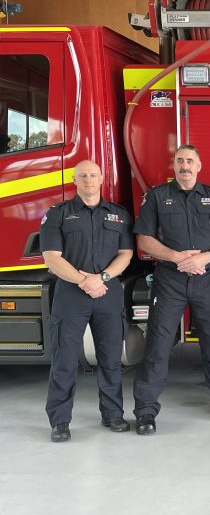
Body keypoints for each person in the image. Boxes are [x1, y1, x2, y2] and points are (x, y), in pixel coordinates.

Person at [132, 144, 210, 435]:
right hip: (169, 279)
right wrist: (178, 257)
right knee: (158, 344)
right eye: (180, 161)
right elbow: (144, 239)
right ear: (173, 165)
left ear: (199, 165)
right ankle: (145, 410)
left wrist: (206, 257)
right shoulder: (156, 197)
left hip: (205, 277)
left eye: (190, 160)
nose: (185, 166)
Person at [40, 160, 134, 442]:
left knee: (110, 359)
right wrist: (84, 281)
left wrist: (101, 278)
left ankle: (113, 414)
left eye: (93, 175)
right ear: (74, 179)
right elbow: (52, 258)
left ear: (102, 178)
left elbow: (126, 254)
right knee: (65, 359)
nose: (89, 180)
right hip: (71, 295)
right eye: (83, 176)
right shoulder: (57, 214)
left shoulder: (118, 215)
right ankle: (59, 421)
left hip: (107, 293)